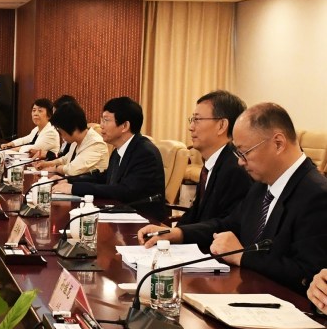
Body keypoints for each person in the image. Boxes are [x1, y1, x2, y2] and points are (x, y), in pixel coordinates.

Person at [145, 103, 327, 295]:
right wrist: (177, 234)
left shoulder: (317, 195)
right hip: (243, 293)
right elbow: (228, 224)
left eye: (245, 152)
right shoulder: (262, 185)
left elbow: (308, 275)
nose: (240, 161)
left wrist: (243, 256)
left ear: (278, 143)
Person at [137, 90, 251, 246]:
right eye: (192, 120)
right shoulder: (213, 163)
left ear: (221, 125)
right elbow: (196, 213)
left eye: (197, 120)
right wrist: (165, 232)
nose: (191, 127)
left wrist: (177, 234)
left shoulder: (236, 168)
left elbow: (227, 226)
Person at [53, 96, 166, 220]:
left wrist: (74, 188)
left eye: (106, 120)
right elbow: (104, 177)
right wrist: (69, 181)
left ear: (125, 126)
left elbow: (124, 191)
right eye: (102, 120)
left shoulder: (144, 152)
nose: (101, 125)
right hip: (121, 214)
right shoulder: (119, 150)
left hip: (144, 221)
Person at [34, 101, 108, 177]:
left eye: (61, 131)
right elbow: (65, 159)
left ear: (72, 127)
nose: (61, 135)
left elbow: (72, 169)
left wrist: (55, 168)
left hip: (86, 183)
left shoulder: (96, 144)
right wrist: (49, 163)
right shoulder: (76, 141)